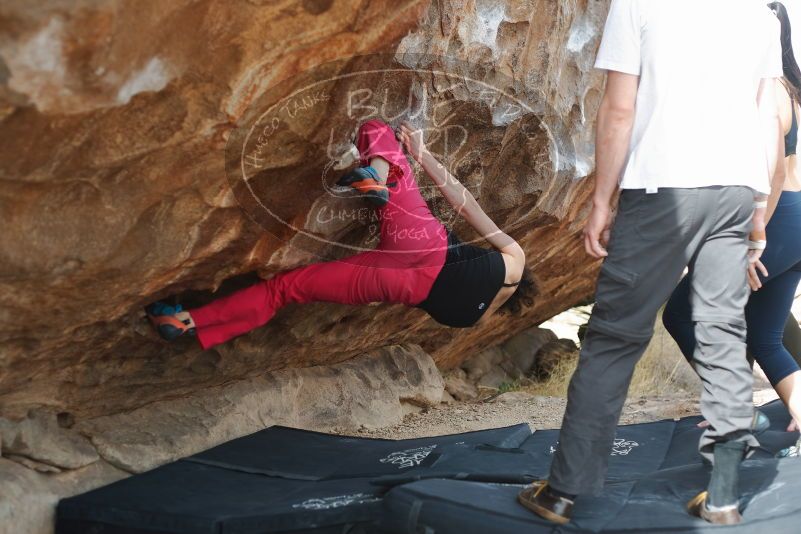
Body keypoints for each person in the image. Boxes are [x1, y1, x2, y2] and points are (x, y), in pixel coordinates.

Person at [517, 0, 784, 526]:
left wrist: (600, 200)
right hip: (734, 191)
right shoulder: (760, 15)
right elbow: (768, 119)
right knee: (723, 337)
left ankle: (562, 493)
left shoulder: (638, 4)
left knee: (615, 339)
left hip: (662, 189)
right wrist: (758, 218)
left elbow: (620, 109)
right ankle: (725, 495)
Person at [146, 119, 535, 350]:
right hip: (393, 283)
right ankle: (186, 320)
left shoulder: (514, 261)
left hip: (421, 241)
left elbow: (465, 204)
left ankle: (379, 178)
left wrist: (421, 153)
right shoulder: (469, 321)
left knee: (376, 128)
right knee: (284, 289)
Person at [663, 1, 801, 436]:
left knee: (683, 313)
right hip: (794, 221)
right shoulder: (791, 89)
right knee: (764, 336)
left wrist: (752, 238)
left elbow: (773, 171)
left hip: (776, 222)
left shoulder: (767, 92)